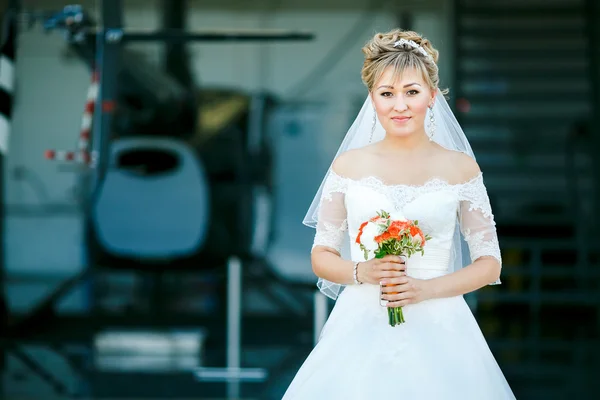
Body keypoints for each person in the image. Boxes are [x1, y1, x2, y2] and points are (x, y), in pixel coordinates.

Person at [282, 29, 516, 399]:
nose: (400, 105)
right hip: (360, 322)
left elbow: (490, 264)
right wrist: (361, 270)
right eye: (387, 94)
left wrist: (426, 289)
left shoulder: (461, 169)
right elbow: (321, 255)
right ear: (372, 98)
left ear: (432, 97)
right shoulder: (347, 166)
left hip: (442, 323)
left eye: (412, 92)